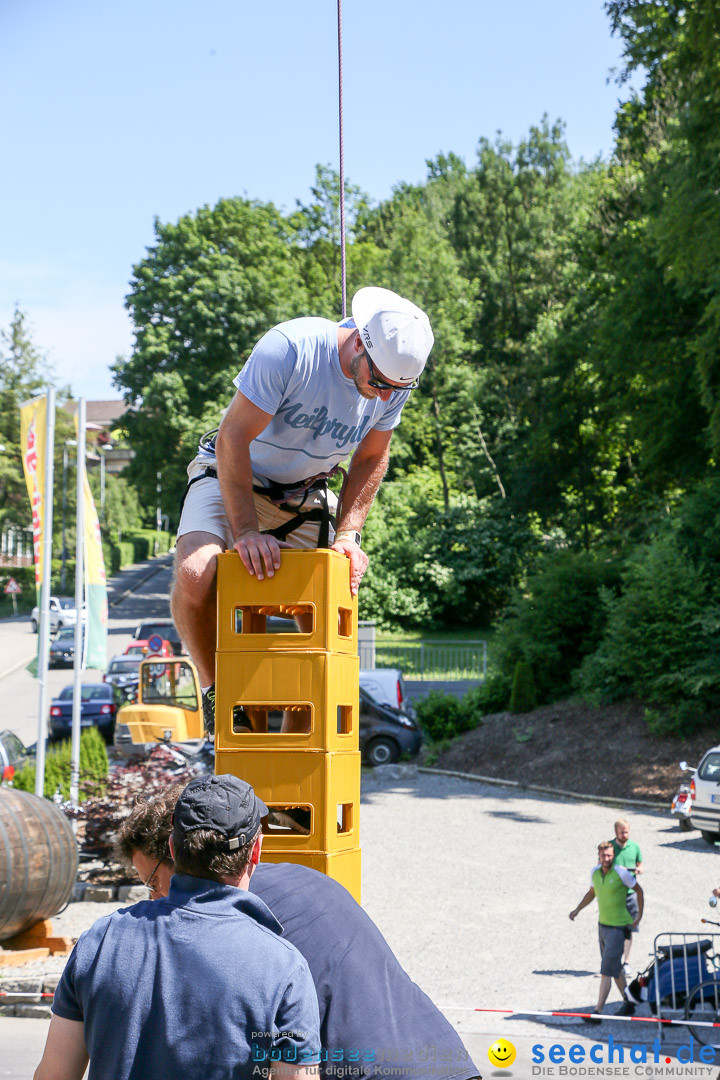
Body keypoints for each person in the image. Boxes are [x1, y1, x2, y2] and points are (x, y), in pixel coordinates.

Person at [170, 286, 434, 733]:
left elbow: (371, 457)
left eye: (396, 389)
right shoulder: (291, 349)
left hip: (302, 491)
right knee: (197, 572)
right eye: (379, 383)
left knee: (326, 592)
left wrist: (349, 534)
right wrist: (248, 531)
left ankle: (303, 727)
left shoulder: (393, 381)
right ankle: (216, 693)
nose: (383, 396)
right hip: (233, 472)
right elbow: (234, 437)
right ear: (358, 343)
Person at [115, 785, 481, 1080]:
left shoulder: (220, 924)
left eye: (152, 881)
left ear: (179, 853)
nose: (153, 897)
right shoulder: (303, 878)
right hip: (443, 1060)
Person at [34, 776, 321, 1080]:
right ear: (256, 852)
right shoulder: (284, 967)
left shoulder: (100, 940)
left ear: (172, 846)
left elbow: (54, 1074)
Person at [569, 840, 644, 1021]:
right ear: (599, 856)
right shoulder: (594, 873)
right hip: (603, 926)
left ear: (614, 856)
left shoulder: (622, 873)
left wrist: (638, 917)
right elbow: (591, 893)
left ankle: (597, 1011)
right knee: (614, 967)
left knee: (606, 970)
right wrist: (578, 909)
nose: (607, 858)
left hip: (619, 928)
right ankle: (629, 1001)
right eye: (604, 855)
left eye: (610, 855)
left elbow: (639, 892)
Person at [611, 818, 644, 975]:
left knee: (629, 929)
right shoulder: (609, 847)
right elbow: (601, 865)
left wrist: (639, 869)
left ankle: (626, 962)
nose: (625, 835)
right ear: (615, 832)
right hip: (615, 894)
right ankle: (612, 960)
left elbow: (641, 864)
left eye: (627, 832)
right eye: (622, 832)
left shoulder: (635, 846)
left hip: (631, 894)